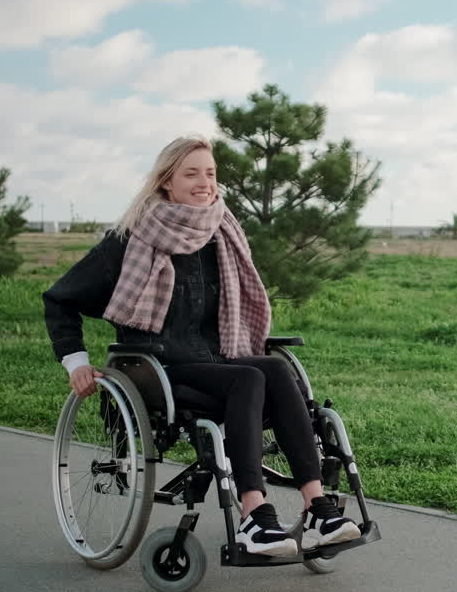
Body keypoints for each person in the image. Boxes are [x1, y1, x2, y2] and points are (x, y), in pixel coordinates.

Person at [43, 134, 360, 557]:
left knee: (274, 368)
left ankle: (317, 507)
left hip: (218, 360)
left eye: (210, 173)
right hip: (159, 368)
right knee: (249, 378)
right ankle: (254, 515)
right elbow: (60, 299)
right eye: (191, 174)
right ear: (166, 182)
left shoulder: (221, 233)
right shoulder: (131, 238)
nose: (204, 183)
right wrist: (76, 362)